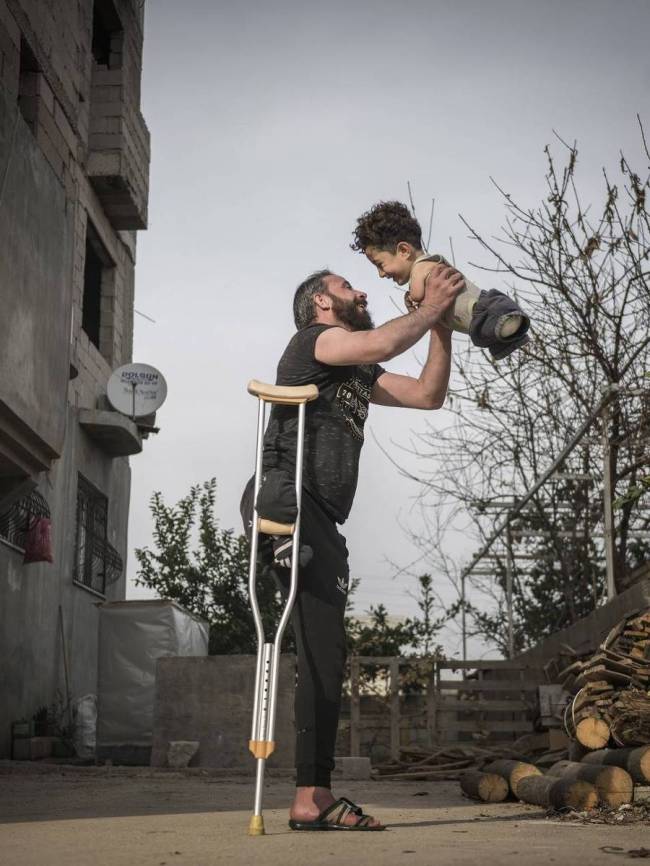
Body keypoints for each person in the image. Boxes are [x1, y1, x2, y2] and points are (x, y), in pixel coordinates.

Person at [240, 263, 462, 831]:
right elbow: (387, 336)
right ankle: (281, 544)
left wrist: (442, 328)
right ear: (320, 303)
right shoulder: (316, 341)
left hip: (324, 521)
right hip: (287, 496)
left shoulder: (358, 368)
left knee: (325, 656)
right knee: (317, 647)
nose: (360, 290)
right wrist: (430, 305)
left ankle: (311, 797)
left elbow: (427, 395)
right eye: (346, 287)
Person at [351, 200, 530, 360]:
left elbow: (418, 295)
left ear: (404, 251)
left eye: (380, 264)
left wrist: (412, 301)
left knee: (496, 323)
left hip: (481, 310)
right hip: (479, 319)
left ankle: (509, 326)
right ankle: (511, 334)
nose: (381, 274)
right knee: (497, 333)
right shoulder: (433, 264)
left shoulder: (421, 267)